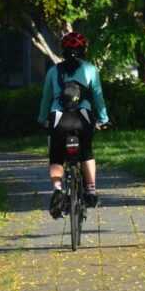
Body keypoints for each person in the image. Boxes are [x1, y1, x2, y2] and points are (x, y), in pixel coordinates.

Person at [38, 32, 109, 219]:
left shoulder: (54, 71)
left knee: (56, 156)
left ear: (63, 51)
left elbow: (46, 98)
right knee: (86, 152)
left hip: (58, 119)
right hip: (82, 117)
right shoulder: (91, 70)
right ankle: (91, 190)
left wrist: (42, 118)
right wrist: (103, 118)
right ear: (83, 50)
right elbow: (98, 97)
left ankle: (57, 188)